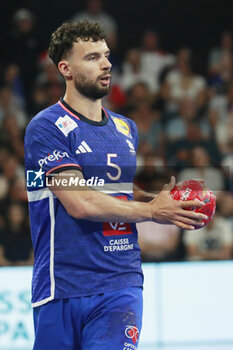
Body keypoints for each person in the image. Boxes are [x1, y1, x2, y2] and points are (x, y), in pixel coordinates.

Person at [24, 19, 208, 350]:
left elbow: (115, 192)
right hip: (62, 285)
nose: (107, 63)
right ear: (66, 68)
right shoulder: (46, 127)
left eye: (106, 55)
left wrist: (162, 201)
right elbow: (80, 203)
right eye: (92, 57)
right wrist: (152, 211)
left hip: (120, 282)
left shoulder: (126, 128)